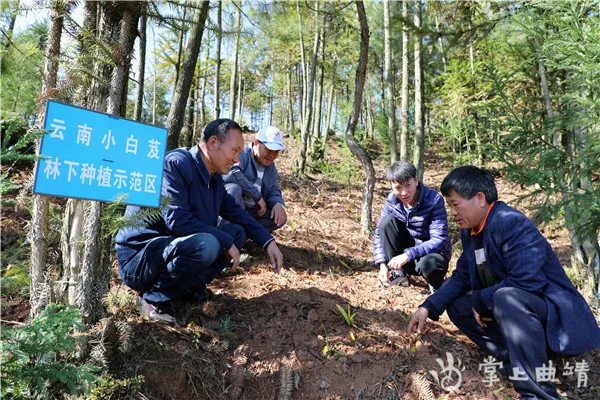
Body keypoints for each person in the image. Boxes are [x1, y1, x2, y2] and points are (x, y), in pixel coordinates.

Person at [408, 166, 600, 400]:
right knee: (458, 306)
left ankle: (538, 394)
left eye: (456, 204)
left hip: (552, 314)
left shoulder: (510, 223)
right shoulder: (472, 231)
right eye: (449, 205)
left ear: (480, 198)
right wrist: (427, 307)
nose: (453, 212)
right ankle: (518, 360)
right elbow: (462, 277)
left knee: (505, 298)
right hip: (516, 312)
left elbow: (526, 282)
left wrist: (481, 300)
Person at [115, 119, 284, 325]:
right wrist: (223, 240)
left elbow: (237, 214)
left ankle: (188, 287)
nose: (238, 160)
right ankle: (151, 298)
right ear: (213, 143)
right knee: (210, 242)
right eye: (235, 151)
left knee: (237, 232)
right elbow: (178, 222)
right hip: (140, 259)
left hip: (170, 251)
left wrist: (268, 241)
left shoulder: (214, 179)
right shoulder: (176, 164)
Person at [373, 161, 451, 290]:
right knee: (386, 222)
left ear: (416, 180)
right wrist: (382, 264)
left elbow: (439, 240)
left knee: (431, 264)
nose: (404, 193)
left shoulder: (433, 200)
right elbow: (379, 233)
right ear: (391, 186)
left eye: (408, 185)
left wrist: (409, 254)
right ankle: (399, 273)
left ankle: (435, 284)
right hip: (403, 258)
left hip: (429, 257)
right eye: (398, 188)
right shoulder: (392, 200)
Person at [222, 126, 287, 232]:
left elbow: (273, 189)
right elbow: (232, 173)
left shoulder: (271, 168)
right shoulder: (242, 155)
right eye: (269, 149)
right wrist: (257, 196)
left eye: (276, 152)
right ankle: (225, 233)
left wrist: (278, 204)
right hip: (234, 206)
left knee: (279, 218)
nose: (272, 155)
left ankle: (244, 234)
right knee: (233, 189)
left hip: (254, 211)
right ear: (256, 143)